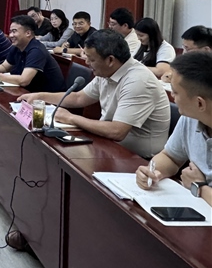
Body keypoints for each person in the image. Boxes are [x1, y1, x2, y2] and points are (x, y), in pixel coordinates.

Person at [22, 29, 170, 158]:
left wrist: (71, 118)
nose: (86, 62)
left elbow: (117, 131)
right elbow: (78, 98)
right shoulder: (107, 71)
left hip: (138, 159)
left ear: (110, 60)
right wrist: (39, 96)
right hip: (109, 144)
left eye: (91, 59)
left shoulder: (138, 81)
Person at [135, 52, 212, 207]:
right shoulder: (191, 117)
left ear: (199, 103)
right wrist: (152, 171)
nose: (172, 96)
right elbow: (171, 157)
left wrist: (200, 188)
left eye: (175, 92)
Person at [0, 15, 65, 93]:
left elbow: (24, 80)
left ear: (28, 33)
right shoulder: (16, 47)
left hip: (48, 97)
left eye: (14, 31)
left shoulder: (37, 51)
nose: (10, 35)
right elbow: (4, 66)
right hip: (29, 92)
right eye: (10, 32)